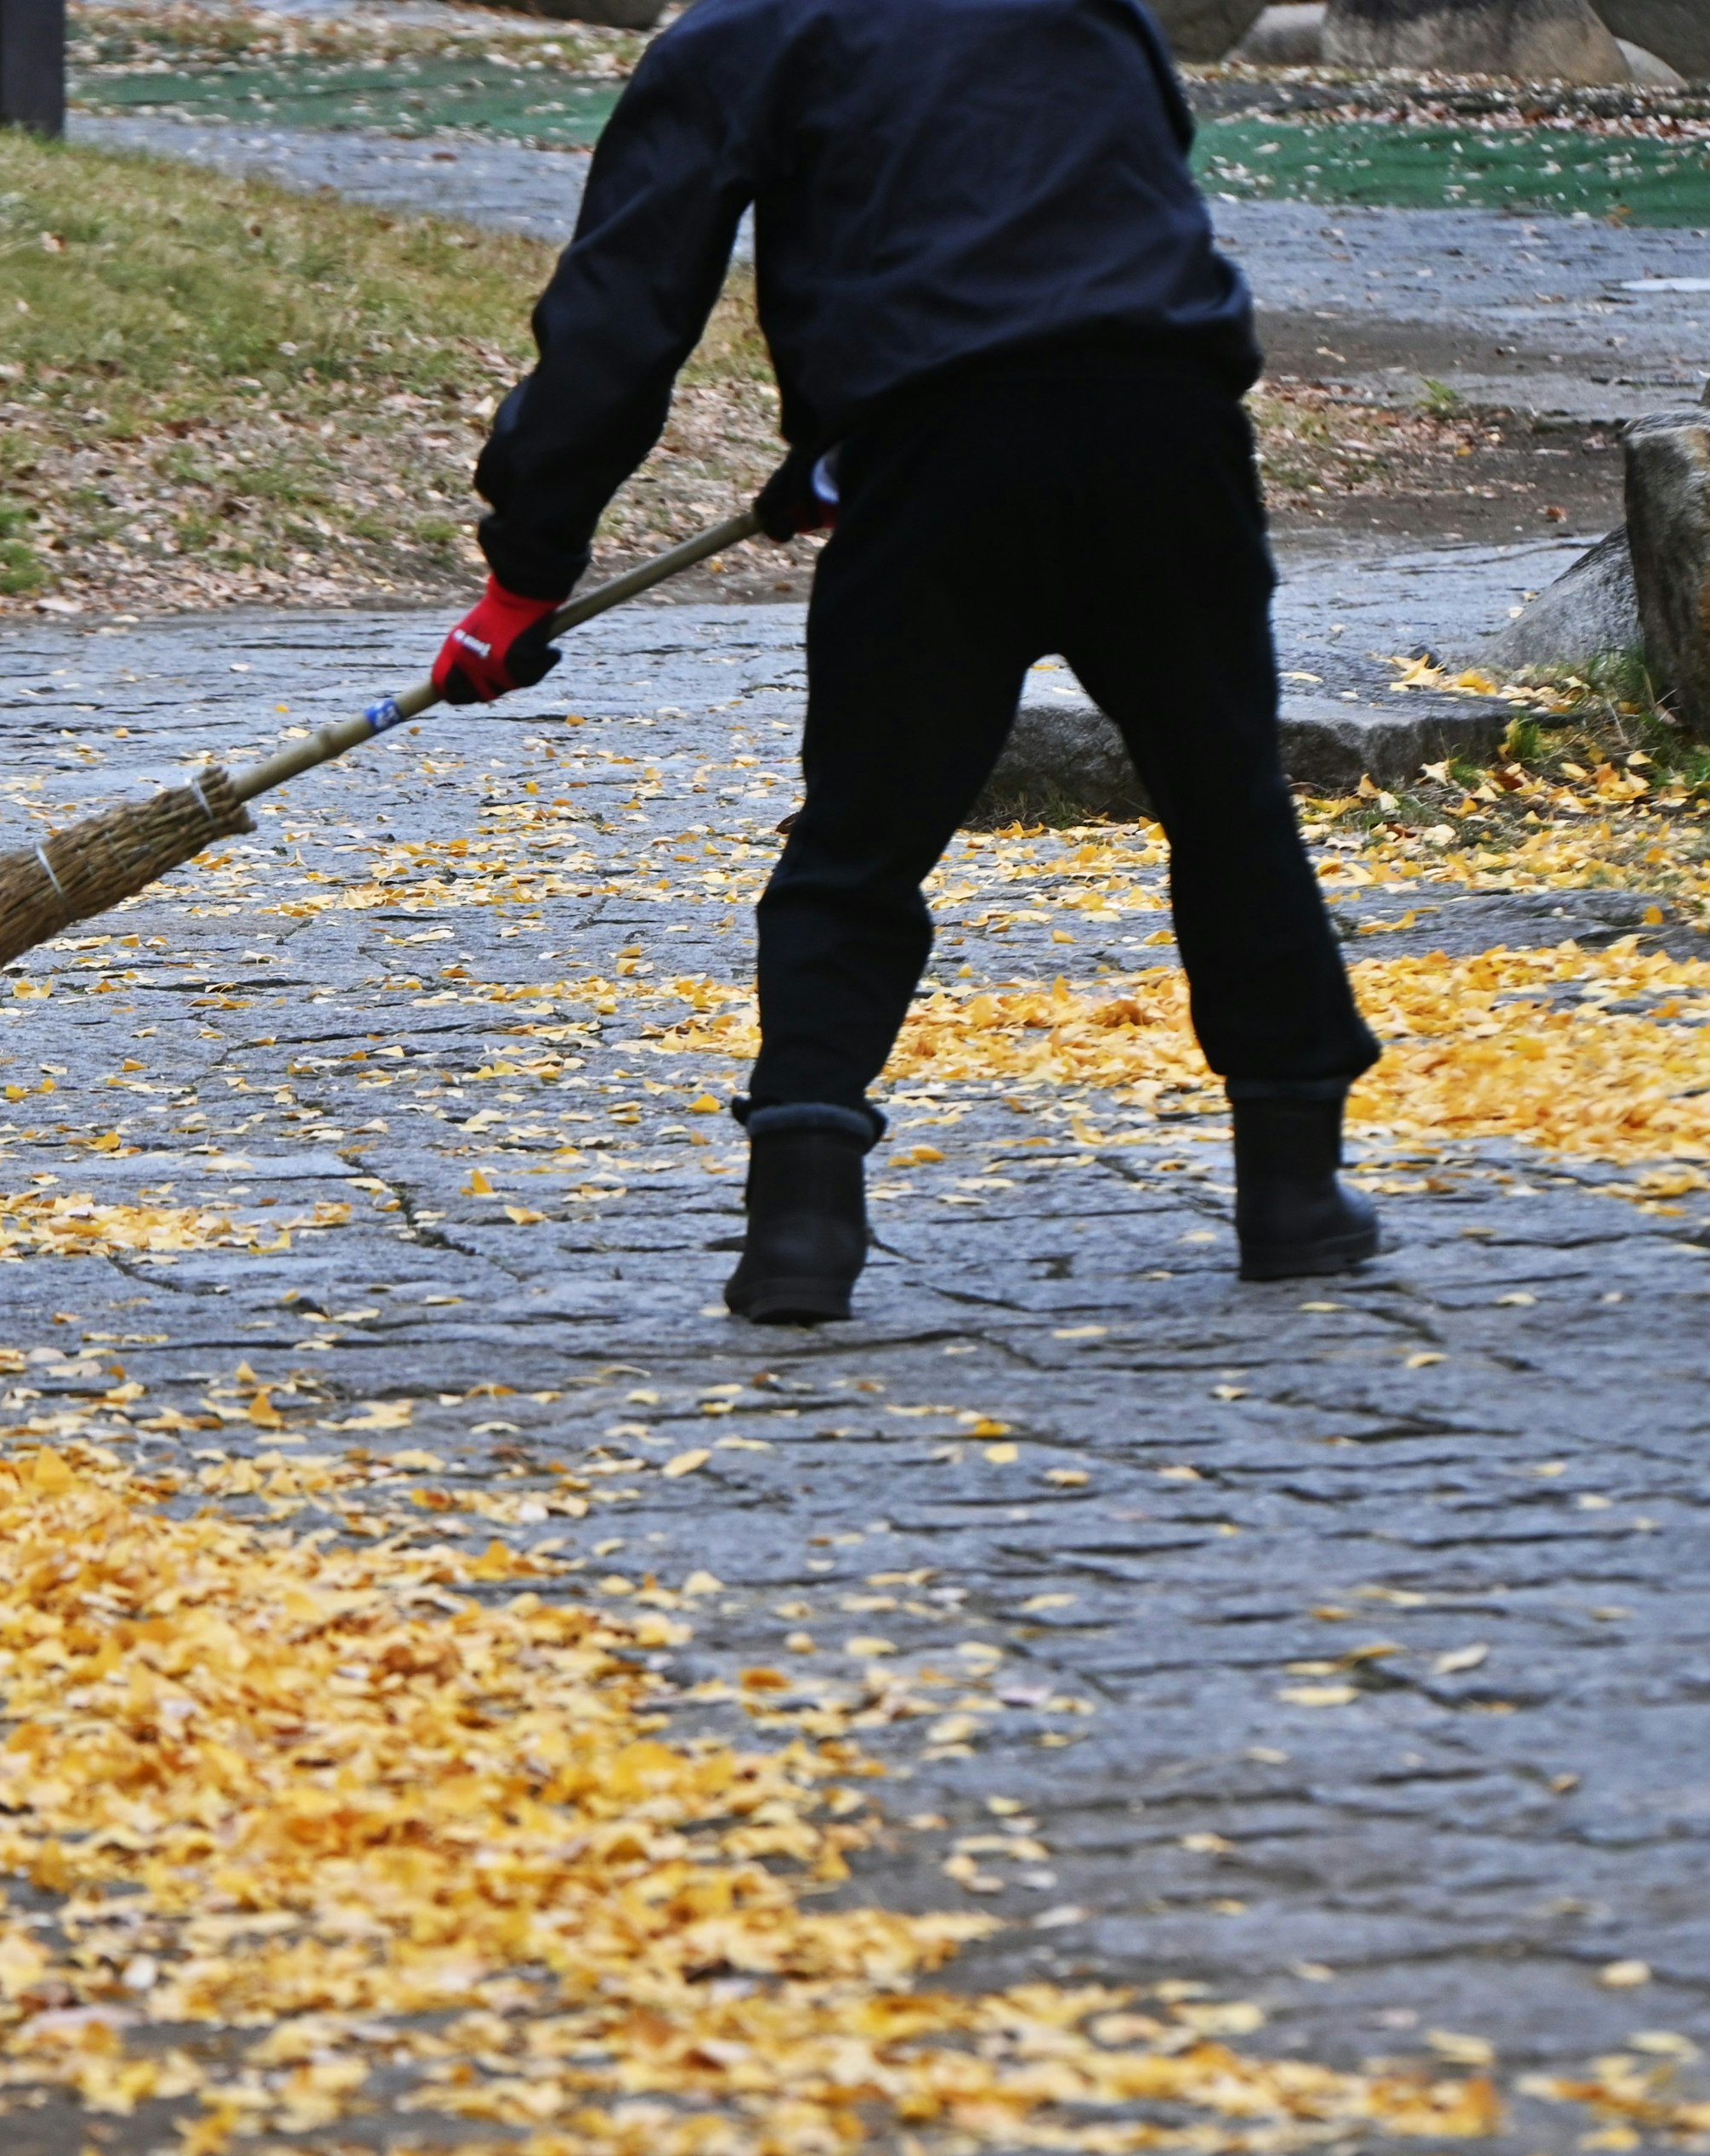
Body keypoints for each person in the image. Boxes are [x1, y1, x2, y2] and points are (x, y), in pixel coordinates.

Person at [429, 0, 1385, 1327]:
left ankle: (800, 1227)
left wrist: (528, 568)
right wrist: (832, 440)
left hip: (939, 465)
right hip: (1164, 428)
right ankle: (1294, 1194)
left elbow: (623, 306)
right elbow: (1102, 193)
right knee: (1226, 801)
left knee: (861, 838)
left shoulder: (740, 31)